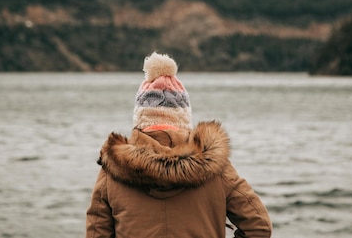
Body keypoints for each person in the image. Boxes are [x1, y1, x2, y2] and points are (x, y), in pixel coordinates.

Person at [85, 52, 272, 238]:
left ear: (140, 119)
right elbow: (259, 227)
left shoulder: (113, 170)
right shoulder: (216, 168)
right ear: (184, 119)